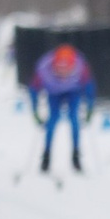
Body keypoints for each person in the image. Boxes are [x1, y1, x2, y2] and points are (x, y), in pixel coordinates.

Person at [28, 42, 95, 174]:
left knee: (74, 119)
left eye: (67, 69)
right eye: (60, 69)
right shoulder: (44, 68)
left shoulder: (81, 67)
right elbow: (33, 90)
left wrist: (89, 110)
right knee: (52, 121)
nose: (63, 73)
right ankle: (46, 156)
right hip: (53, 92)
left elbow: (89, 88)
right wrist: (35, 112)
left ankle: (76, 155)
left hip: (73, 92)